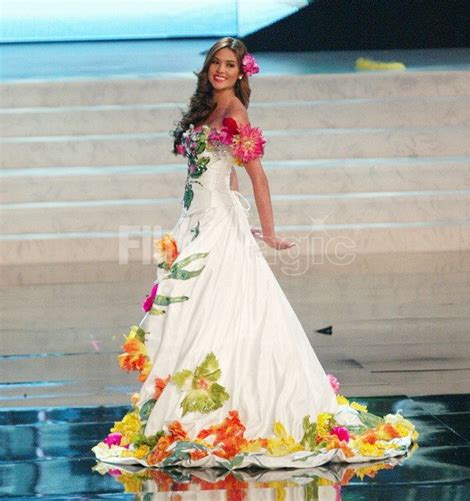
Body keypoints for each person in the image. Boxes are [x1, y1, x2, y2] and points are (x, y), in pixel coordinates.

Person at [92, 37, 417, 469]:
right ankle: (191, 401)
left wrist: (268, 232)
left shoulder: (235, 112)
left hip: (215, 227)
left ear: (242, 73)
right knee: (198, 312)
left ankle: (222, 405)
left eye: (229, 64)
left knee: (219, 314)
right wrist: (230, 205)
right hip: (196, 223)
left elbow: (257, 175)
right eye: (216, 62)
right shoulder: (206, 109)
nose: (221, 70)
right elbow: (224, 174)